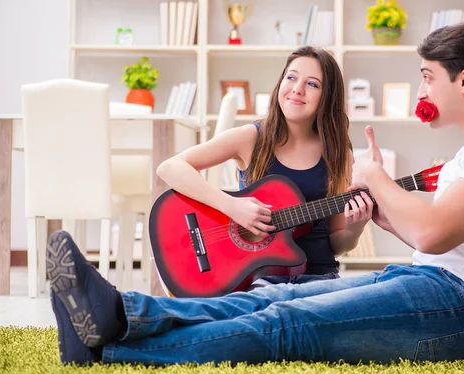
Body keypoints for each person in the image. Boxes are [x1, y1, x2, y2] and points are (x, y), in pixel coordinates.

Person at [48, 22, 464, 366]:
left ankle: (105, 352)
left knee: (287, 324)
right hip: (431, 282)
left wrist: (377, 180)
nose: (423, 92)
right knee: (275, 297)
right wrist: (384, 218)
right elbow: (437, 231)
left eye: (428, 78)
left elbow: (432, 231)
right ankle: (118, 311)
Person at [156, 46, 371, 285]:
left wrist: (354, 230)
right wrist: (232, 206)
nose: (297, 89)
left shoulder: (339, 153)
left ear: (327, 96)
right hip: (260, 279)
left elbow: (336, 243)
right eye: (291, 77)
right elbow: (170, 167)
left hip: (318, 278)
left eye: (313, 84)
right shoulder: (251, 138)